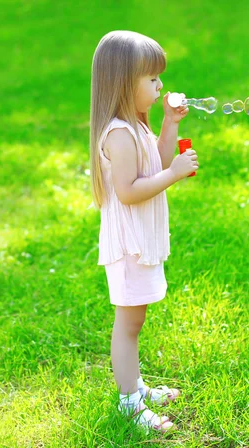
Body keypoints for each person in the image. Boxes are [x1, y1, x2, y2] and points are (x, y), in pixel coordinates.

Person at [88, 30, 199, 433]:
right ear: (122, 82)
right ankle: (129, 403)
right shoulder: (118, 134)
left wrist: (170, 123)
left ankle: (135, 387)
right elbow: (130, 191)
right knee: (128, 325)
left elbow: (158, 162)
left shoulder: (135, 126)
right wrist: (172, 174)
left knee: (136, 321)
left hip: (140, 242)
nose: (160, 86)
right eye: (151, 79)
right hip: (129, 245)